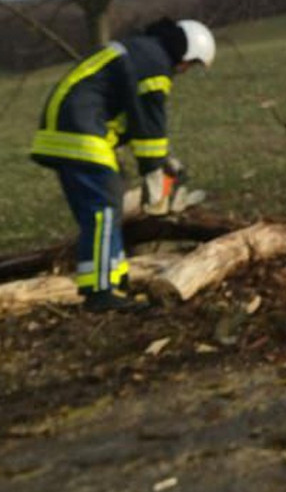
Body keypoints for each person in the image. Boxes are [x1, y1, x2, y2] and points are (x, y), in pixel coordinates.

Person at [30, 17, 215, 311]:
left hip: (75, 124)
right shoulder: (156, 65)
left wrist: (163, 160)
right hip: (78, 129)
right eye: (190, 66)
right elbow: (152, 124)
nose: (184, 72)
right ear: (186, 55)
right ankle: (100, 293)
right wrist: (155, 174)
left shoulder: (144, 52)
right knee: (103, 208)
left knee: (108, 203)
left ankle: (115, 279)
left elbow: (137, 123)